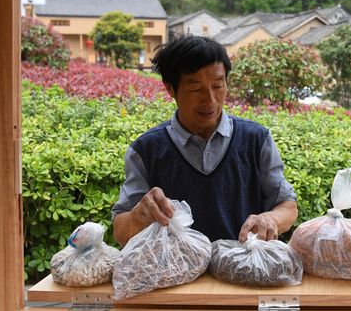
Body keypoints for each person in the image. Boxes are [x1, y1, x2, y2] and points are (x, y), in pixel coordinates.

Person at [111, 35, 298, 247]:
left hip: (243, 265)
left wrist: (271, 219)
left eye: (218, 86)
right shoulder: (146, 150)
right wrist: (138, 216)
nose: (209, 99)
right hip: (176, 268)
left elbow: (287, 206)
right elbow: (121, 232)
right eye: (195, 89)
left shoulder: (256, 140)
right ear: (170, 88)